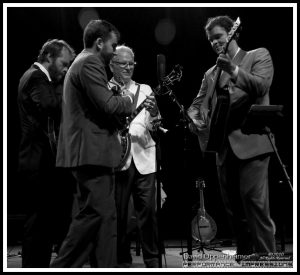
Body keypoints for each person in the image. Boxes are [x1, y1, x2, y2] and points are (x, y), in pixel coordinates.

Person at [187, 15, 276, 259]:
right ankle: (246, 258)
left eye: (218, 37)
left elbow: (260, 86)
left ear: (233, 33)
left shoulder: (257, 56)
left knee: (255, 204)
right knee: (234, 210)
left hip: (251, 143)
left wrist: (233, 69)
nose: (214, 43)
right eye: (210, 40)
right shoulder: (210, 74)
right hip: (223, 148)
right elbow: (197, 105)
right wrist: (196, 119)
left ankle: (267, 259)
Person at [50, 20, 135, 268]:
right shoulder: (89, 62)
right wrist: (129, 98)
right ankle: (61, 266)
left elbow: (99, 107)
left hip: (92, 152)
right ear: (99, 43)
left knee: (106, 217)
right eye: (113, 45)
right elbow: (108, 105)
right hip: (90, 153)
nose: (114, 50)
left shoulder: (85, 62)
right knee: (94, 214)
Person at [17, 39, 75, 267]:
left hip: (40, 161)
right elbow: (51, 107)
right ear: (49, 57)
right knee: (37, 224)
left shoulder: (39, 78)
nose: (66, 69)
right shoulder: (35, 77)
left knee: (43, 223)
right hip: (36, 162)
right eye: (64, 63)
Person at [108, 45, 161, 268]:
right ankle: (122, 260)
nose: (128, 67)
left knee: (148, 214)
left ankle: (153, 261)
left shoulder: (146, 88)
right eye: (123, 63)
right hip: (118, 160)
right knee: (119, 216)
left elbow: (155, 125)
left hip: (144, 160)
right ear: (112, 64)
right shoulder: (104, 89)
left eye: (132, 63)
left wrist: (156, 112)